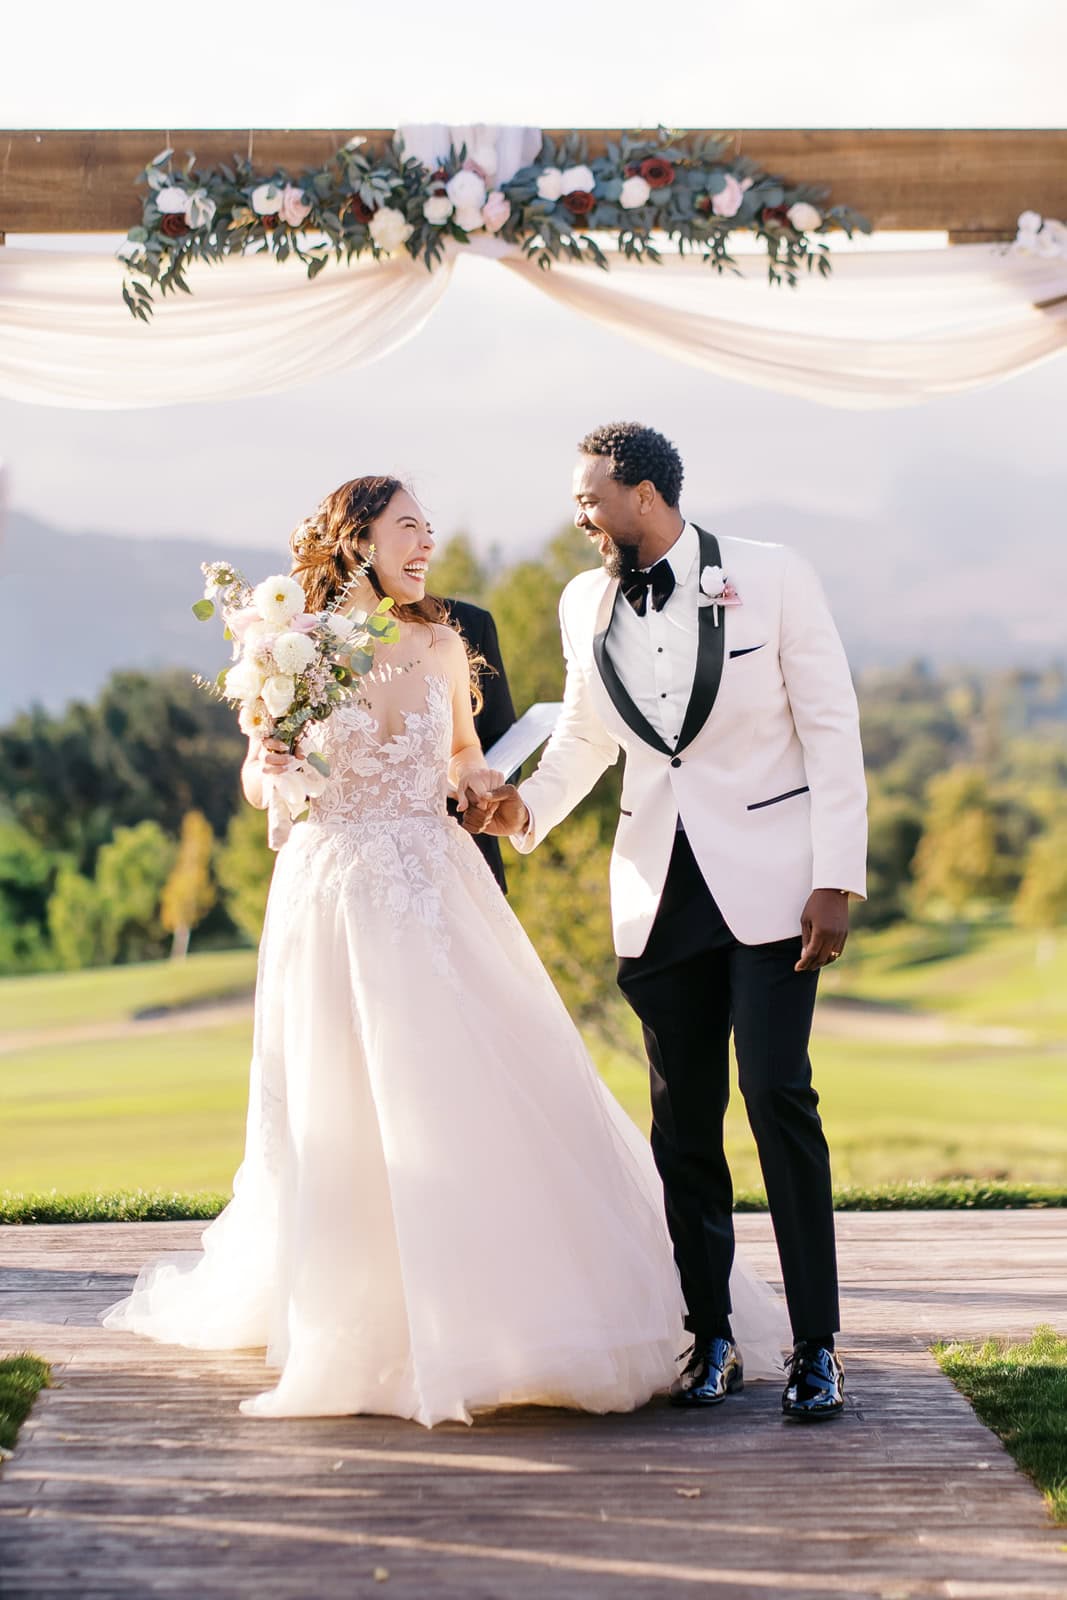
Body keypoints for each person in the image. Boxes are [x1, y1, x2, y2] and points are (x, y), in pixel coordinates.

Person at [103, 474, 788, 1426]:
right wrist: (269, 765)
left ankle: (516, 1307)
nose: (426, 545)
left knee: (476, 1076)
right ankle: (359, 1313)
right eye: (407, 528)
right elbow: (264, 781)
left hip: (435, 879)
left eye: (428, 530)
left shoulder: (439, 640)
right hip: (332, 886)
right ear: (357, 540)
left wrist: (480, 784)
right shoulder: (285, 642)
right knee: (339, 1091)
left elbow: (465, 752)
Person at [463, 424, 867, 1422]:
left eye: (588, 497)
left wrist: (836, 878)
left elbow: (830, 729)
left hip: (775, 890)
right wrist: (522, 812)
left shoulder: (772, 575)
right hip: (656, 893)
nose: (579, 515)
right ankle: (710, 1336)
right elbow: (584, 736)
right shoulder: (583, 599)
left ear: (642, 493)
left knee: (776, 1096)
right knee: (682, 1125)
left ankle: (816, 1347)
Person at [443, 597, 516, 893]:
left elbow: (501, 737)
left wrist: (486, 791)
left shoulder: (469, 623)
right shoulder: (324, 635)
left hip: (468, 847)